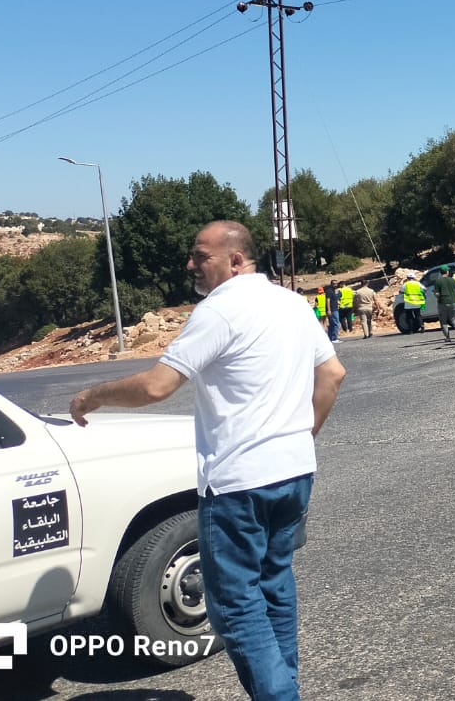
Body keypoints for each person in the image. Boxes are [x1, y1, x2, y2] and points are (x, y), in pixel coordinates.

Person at [69, 221, 345, 701]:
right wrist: (304, 434)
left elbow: (157, 386)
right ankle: (286, 688)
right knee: (275, 585)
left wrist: (93, 395)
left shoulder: (219, 310)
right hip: (295, 470)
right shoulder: (291, 303)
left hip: (240, 481)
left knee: (235, 605)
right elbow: (333, 373)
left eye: (201, 256)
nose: (191, 264)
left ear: (235, 261)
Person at [432, 267, 455, 343]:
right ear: (447, 272)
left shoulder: (438, 281)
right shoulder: (453, 280)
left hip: (443, 302)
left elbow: (437, 294)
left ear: (440, 272)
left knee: (443, 321)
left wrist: (437, 296)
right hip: (454, 301)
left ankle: (447, 337)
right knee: (454, 318)